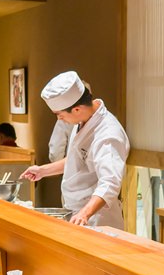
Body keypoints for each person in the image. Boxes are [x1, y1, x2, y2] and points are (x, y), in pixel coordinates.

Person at [20, 71, 130, 228]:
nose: (59, 119)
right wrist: (42, 171)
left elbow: (110, 183)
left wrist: (84, 214)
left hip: (97, 219)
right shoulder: (82, 121)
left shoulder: (107, 134)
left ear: (77, 109)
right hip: (75, 211)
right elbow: (76, 158)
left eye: (59, 114)